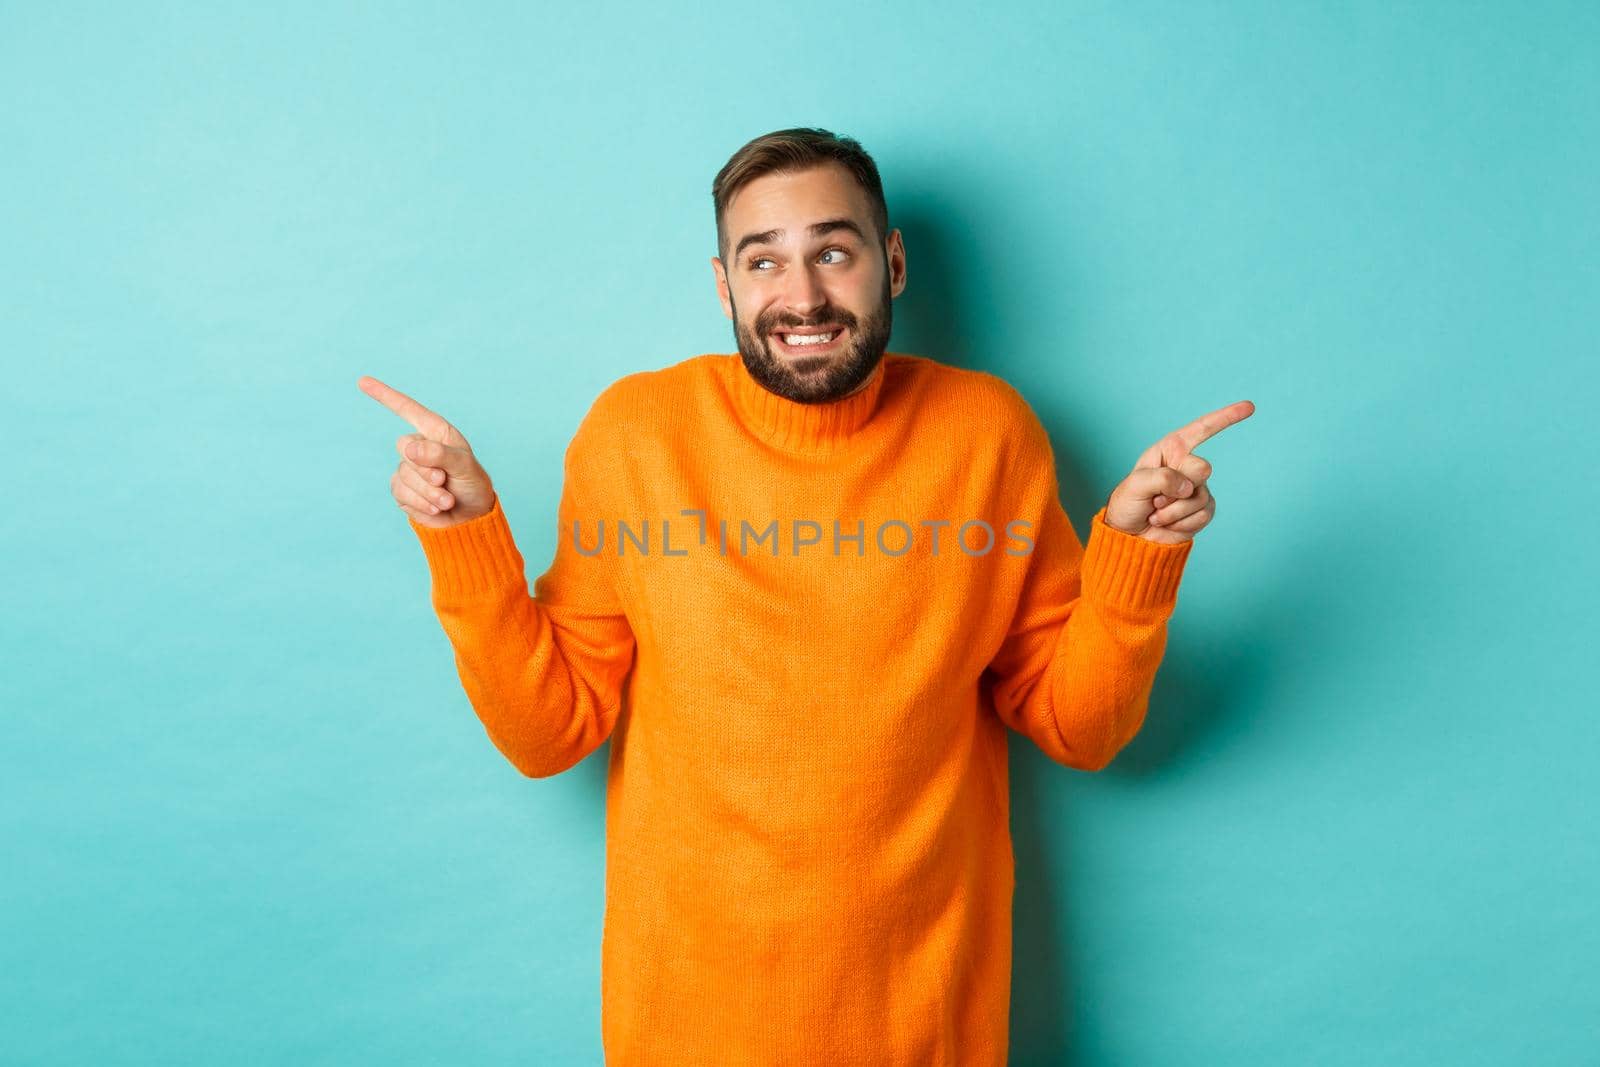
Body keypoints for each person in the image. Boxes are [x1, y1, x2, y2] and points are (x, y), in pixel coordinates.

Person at [359, 126, 1252, 1065]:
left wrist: (1136, 555)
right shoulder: (636, 437)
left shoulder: (990, 436)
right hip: (687, 1028)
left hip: (929, 1023)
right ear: (724, 285)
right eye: (765, 260)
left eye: (834, 250)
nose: (804, 297)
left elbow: (1083, 725)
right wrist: (466, 538)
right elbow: (549, 732)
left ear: (892, 263)